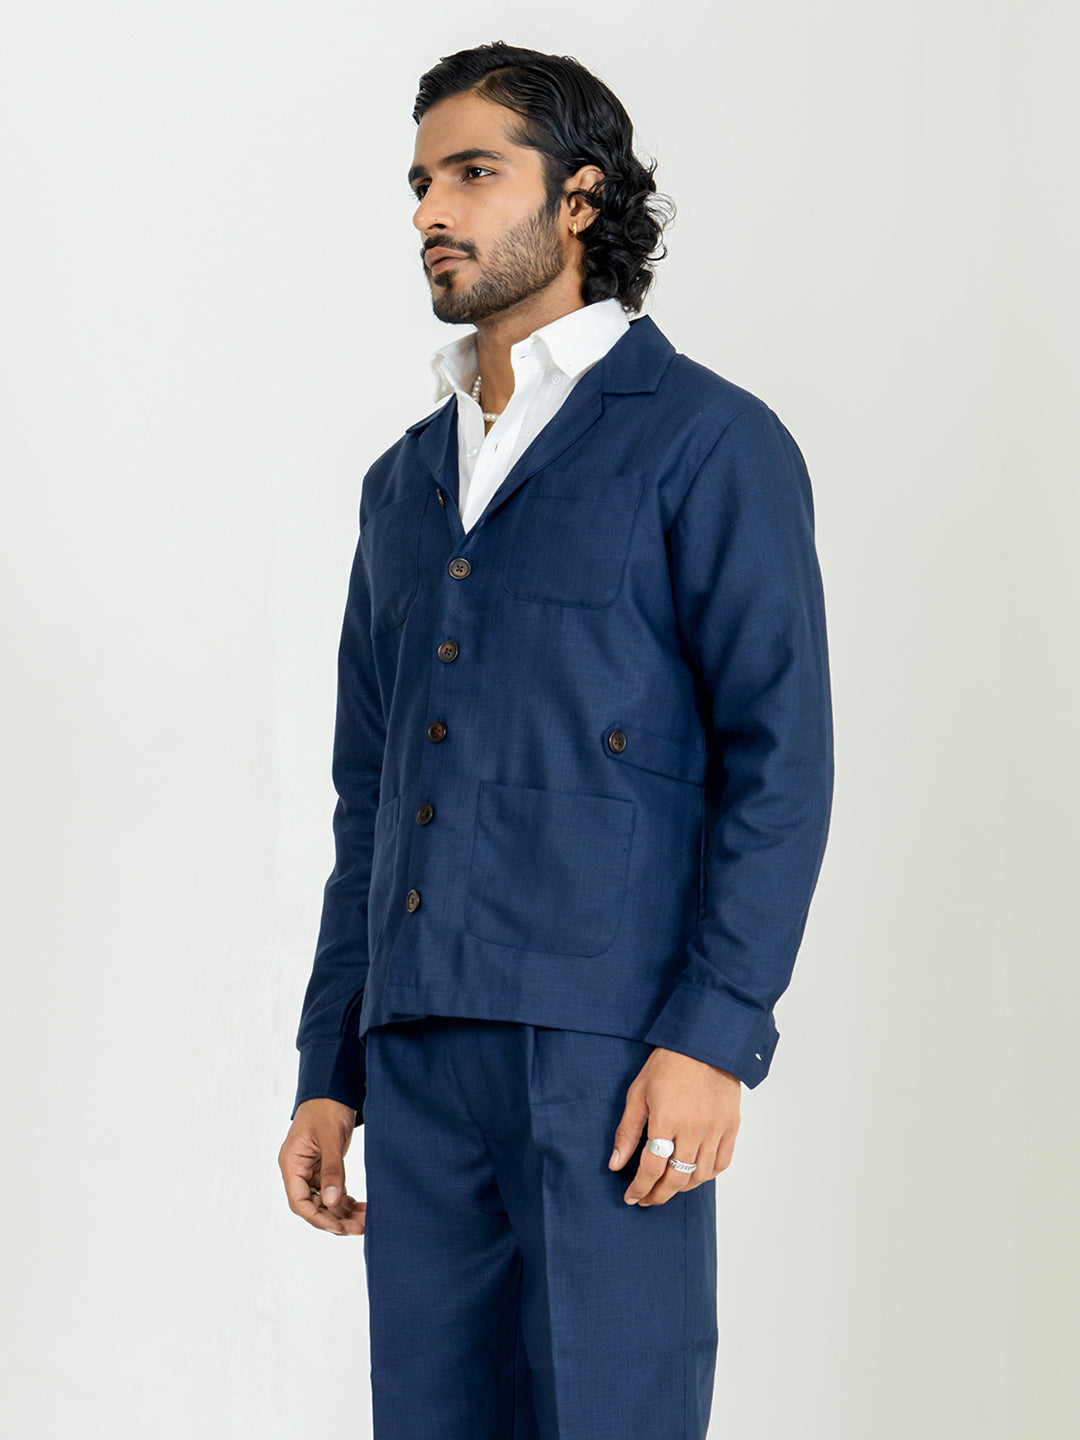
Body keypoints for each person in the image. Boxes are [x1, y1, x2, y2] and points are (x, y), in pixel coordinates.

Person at [278, 39, 834, 1440]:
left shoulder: (706, 441)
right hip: (417, 1042)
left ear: (580, 198)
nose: (431, 210)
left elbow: (781, 759)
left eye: (473, 172)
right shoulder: (404, 482)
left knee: (613, 1410)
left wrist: (715, 1036)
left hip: (610, 1046)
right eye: (420, 182)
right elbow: (371, 792)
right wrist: (330, 1066)